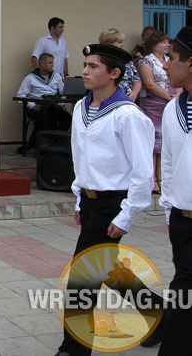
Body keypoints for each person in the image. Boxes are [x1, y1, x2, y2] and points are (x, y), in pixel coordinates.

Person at [55, 44, 155, 356]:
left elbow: (143, 172)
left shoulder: (127, 115)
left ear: (113, 74)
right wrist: (78, 199)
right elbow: (80, 157)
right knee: (109, 272)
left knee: (83, 276)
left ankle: (74, 348)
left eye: (94, 66)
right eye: (85, 65)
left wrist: (126, 215)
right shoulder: (82, 108)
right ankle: (161, 317)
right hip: (90, 199)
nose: (85, 71)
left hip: (113, 202)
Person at [158, 26, 192, 355]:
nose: (165, 65)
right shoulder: (172, 110)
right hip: (183, 220)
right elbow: (167, 166)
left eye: (172, 58)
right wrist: (171, 211)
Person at [137, 31, 179, 193]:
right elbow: (150, 84)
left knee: (164, 145)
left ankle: (162, 179)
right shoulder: (146, 61)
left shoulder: (170, 60)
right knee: (153, 144)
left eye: (167, 42)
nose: (166, 45)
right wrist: (169, 97)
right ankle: (152, 180)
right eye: (163, 43)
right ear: (154, 45)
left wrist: (178, 95)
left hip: (170, 103)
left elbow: (178, 79)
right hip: (153, 104)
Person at [16, 52, 71, 150]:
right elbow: (20, 95)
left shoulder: (56, 76)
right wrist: (32, 105)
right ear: (42, 64)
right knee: (45, 117)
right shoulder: (30, 78)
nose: (52, 65)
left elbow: (64, 92)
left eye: (53, 63)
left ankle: (54, 140)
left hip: (53, 105)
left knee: (67, 118)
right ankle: (36, 143)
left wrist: (61, 103)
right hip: (38, 107)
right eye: (50, 63)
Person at [98, 28, 142, 101]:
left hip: (127, 100)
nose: (122, 45)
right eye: (119, 42)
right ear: (108, 43)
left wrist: (134, 93)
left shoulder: (126, 59)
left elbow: (137, 79)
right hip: (108, 99)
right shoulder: (99, 60)